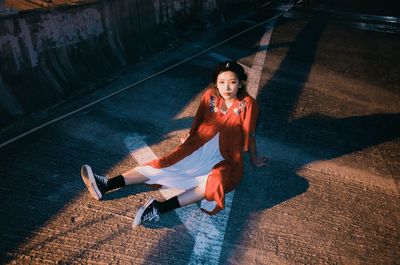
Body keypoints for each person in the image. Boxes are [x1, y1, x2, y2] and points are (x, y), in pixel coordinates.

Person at [81, 61, 268, 228]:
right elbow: (199, 120)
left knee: (214, 182)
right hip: (199, 149)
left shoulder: (248, 104)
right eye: (221, 82)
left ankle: (159, 208)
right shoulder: (210, 96)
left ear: (241, 83)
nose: (226, 87)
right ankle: (105, 184)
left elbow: (249, 135)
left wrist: (254, 159)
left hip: (225, 158)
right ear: (215, 83)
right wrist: (190, 136)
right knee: (161, 165)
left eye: (232, 82)